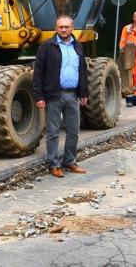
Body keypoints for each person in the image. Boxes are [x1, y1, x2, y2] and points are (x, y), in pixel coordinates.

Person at [33, 15, 90, 178]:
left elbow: (83, 71)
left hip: (72, 95)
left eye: (67, 27)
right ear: (56, 28)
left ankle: (70, 162)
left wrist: (83, 92)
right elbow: (38, 72)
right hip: (53, 96)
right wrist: (39, 96)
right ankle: (54, 164)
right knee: (53, 131)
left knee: (74, 130)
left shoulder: (78, 46)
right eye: (60, 27)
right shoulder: (47, 46)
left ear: (72, 28)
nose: (64, 30)